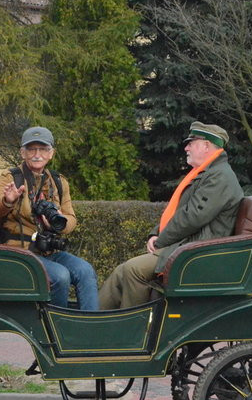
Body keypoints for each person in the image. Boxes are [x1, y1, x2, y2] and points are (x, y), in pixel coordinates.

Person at [98, 121, 244, 310]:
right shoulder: (207, 172)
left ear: (206, 145)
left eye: (191, 143)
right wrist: (155, 233)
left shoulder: (219, 176)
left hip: (197, 251)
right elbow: (176, 210)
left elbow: (193, 217)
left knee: (133, 270)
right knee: (121, 271)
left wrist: (161, 241)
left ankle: (134, 332)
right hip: (186, 246)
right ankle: (91, 322)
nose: (186, 148)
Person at [0, 127, 98, 311]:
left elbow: (71, 218)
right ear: (23, 153)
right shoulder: (11, 176)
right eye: (31, 149)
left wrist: (59, 223)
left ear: (51, 153)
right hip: (18, 252)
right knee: (61, 276)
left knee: (86, 271)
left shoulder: (58, 181)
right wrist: (8, 200)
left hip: (47, 251)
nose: (37, 154)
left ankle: (90, 328)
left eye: (43, 149)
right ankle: (58, 331)